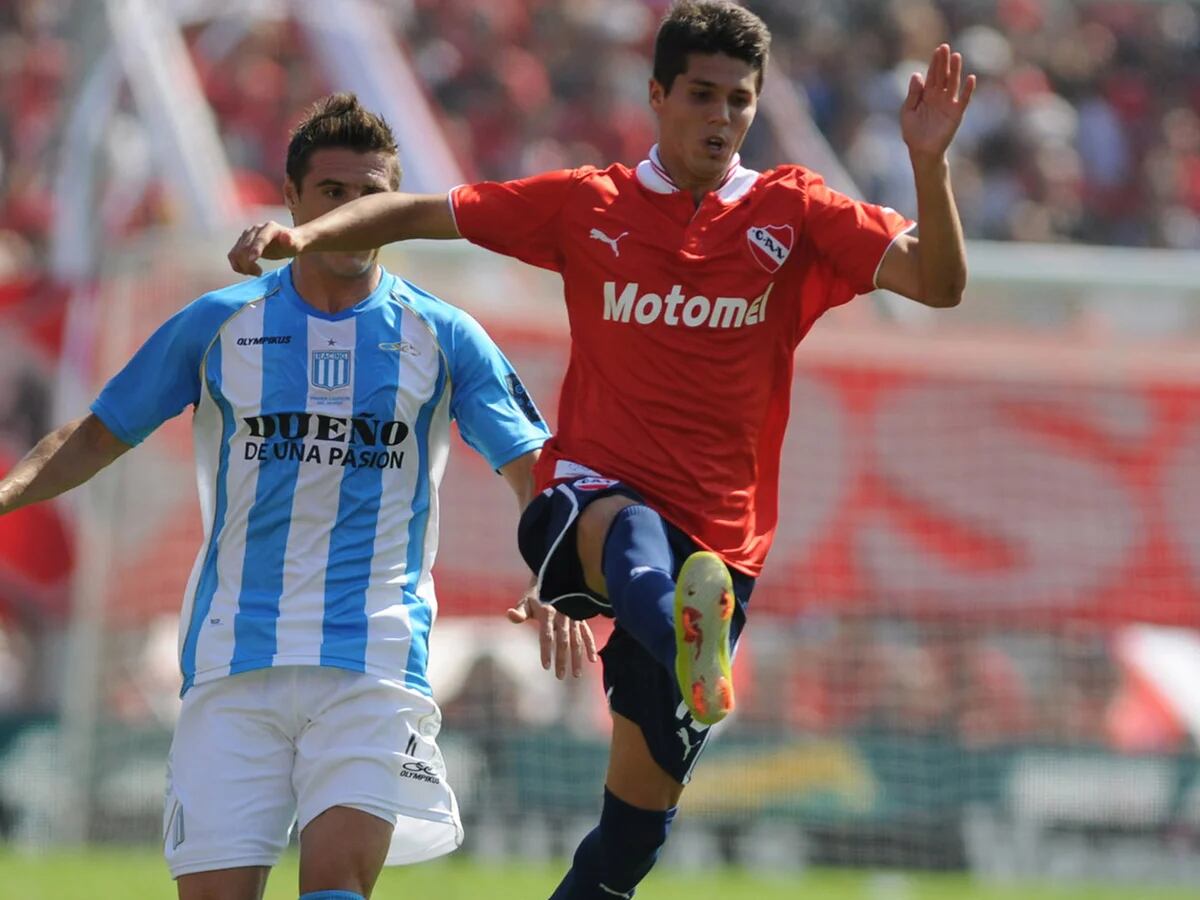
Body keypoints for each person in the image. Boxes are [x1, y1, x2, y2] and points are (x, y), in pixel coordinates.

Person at [227, 2, 975, 896]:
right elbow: (424, 212)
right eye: (701, 95)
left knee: (627, 847)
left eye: (740, 100)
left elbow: (937, 283)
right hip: (586, 504)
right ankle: (682, 637)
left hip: (722, 549)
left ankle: (685, 646)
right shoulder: (591, 203)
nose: (721, 117)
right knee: (629, 529)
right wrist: (303, 237)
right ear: (657, 95)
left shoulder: (797, 213)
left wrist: (930, 166)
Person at [0, 93, 594, 900]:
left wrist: (557, 570)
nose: (353, 212)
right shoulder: (219, 325)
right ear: (294, 200)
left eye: (371, 194)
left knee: (335, 887)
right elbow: (96, 433)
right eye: (333, 194)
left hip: (374, 660)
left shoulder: (444, 335)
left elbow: (532, 469)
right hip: (232, 658)